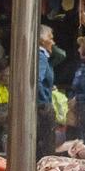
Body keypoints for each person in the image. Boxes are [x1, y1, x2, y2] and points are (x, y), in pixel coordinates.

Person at [36, 24, 58, 158]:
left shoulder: (42, 56)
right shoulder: (41, 57)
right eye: (51, 38)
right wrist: (44, 101)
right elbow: (36, 81)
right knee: (46, 145)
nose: (53, 42)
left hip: (41, 106)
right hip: (43, 108)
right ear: (43, 40)